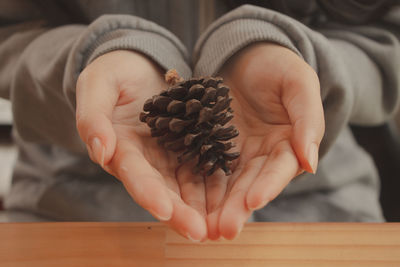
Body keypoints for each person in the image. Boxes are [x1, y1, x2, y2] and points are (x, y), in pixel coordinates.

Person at [0, 0, 398, 241]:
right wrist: (90, 58)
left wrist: (299, 56)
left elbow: (386, 35)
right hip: (67, 207)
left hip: (322, 203)